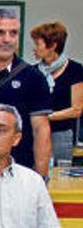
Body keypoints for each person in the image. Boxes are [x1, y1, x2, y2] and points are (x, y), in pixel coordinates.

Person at [0, 8, 51, 176]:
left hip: (16, 171)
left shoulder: (33, 77)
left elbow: (41, 130)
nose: (7, 39)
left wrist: (40, 177)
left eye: (13, 33)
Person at [31, 21, 83, 162]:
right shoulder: (33, 72)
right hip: (36, 133)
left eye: (37, 44)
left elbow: (77, 109)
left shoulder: (75, 70)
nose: (34, 49)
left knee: (59, 174)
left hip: (61, 134)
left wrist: (45, 117)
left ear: (52, 45)